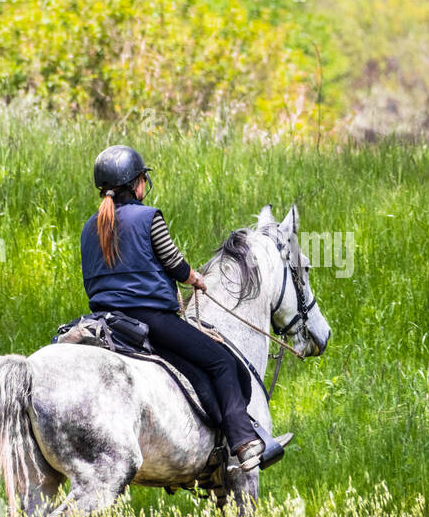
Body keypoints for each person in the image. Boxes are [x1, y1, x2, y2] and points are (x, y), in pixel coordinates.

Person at [80, 145, 283, 473]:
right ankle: (243, 442)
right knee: (220, 361)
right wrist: (195, 278)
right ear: (136, 184)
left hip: (105, 321)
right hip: (151, 320)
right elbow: (174, 263)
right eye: (143, 178)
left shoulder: (90, 227)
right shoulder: (149, 218)